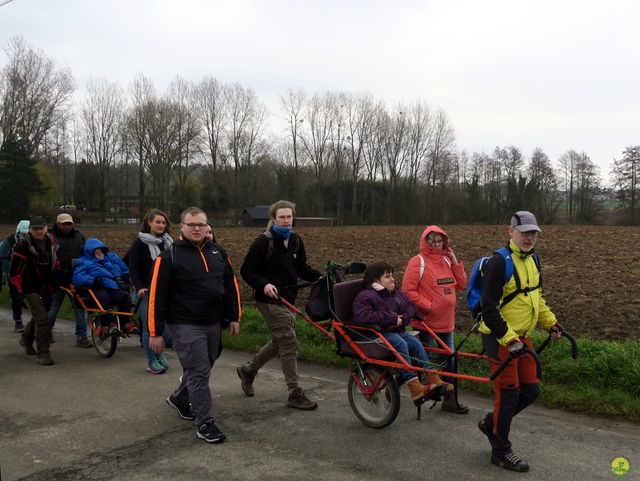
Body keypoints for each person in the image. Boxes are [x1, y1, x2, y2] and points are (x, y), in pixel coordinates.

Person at [477, 211, 562, 473]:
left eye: (533, 232)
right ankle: (501, 451)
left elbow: (537, 297)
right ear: (510, 231)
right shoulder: (499, 262)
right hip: (500, 338)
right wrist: (509, 339)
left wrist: (551, 322)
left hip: (521, 338)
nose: (529, 237)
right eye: (524, 232)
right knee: (509, 395)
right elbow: (488, 309)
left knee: (531, 391)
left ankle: (491, 423)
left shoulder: (533, 259)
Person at [147, 206, 241, 444]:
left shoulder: (218, 253)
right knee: (200, 372)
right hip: (184, 324)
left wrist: (234, 316)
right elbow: (156, 296)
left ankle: (179, 398)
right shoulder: (169, 256)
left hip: (212, 322)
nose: (197, 229)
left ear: (207, 226)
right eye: (192, 225)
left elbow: (230, 287)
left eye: (201, 224)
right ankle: (204, 423)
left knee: (205, 364)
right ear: (182, 227)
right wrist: (155, 332)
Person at [238, 200, 321, 410]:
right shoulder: (263, 242)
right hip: (267, 300)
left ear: (293, 218)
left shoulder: (295, 240)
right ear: (274, 219)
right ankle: (294, 392)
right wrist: (264, 284)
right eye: (282, 217)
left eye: (289, 217)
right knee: (289, 342)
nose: (286, 221)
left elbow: (301, 267)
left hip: (287, 300)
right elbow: (247, 271)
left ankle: (249, 370)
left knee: (279, 341)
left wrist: (320, 277)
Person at [352, 261, 451, 404]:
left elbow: (411, 305)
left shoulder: (395, 293)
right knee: (401, 343)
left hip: (395, 330)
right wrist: (392, 318)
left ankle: (434, 379)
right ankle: (415, 388)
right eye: (387, 276)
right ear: (376, 280)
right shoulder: (367, 296)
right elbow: (362, 316)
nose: (392, 279)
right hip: (377, 333)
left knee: (416, 344)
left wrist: (403, 319)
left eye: (392, 275)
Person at [402, 225, 469, 414]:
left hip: (447, 323)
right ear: (426, 242)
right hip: (426, 324)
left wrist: (455, 261)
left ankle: (450, 400)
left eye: (441, 241)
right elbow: (408, 291)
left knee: (450, 361)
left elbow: (462, 284)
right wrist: (429, 305)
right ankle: (406, 387)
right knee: (422, 361)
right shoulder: (418, 262)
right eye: (433, 241)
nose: (437, 245)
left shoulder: (447, 261)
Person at [128, 208, 173, 374]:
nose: (161, 225)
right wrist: (139, 287)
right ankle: (152, 361)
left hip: (164, 292)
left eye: (163, 222)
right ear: (149, 223)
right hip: (146, 293)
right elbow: (133, 268)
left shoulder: (169, 243)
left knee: (167, 330)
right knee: (150, 328)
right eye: (157, 222)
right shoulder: (139, 243)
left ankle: (159, 353)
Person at [9, 216, 58, 365]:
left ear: (46, 229)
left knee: (39, 316)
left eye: (41, 228)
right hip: (29, 288)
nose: (38, 231)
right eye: (35, 229)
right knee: (43, 320)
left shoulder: (52, 244)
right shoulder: (22, 247)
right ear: (30, 230)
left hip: (46, 287)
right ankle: (43, 354)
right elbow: (14, 273)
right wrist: (18, 293)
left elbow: (56, 263)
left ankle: (26, 339)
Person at [72, 238, 137, 336]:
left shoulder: (112, 258)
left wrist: (126, 275)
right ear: (90, 252)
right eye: (96, 251)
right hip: (97, 286)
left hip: (113, 286)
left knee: (124, 296)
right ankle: (109, 324)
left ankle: (125, 323)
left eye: (101, 250)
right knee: (102, 297)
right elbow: (78, 278)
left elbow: (124, 269)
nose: (99, 253)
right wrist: (92, 280)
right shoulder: (83, 262)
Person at [47, 213, 91, 347]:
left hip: (75, 278)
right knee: (53, 308)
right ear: (58, 224)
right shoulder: (50, 237)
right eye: (64, 224)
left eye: (69, 224)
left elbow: (85, 254)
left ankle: (82, 336)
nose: (67, 226)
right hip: (57, 279)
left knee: (80, 309)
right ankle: (47, 333)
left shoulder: (79, 237)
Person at [0, 219, 30, 332]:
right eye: (23, 234)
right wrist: (11, 269)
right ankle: (18, 322)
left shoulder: (33, 243)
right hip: (14, 274)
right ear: (18, 232)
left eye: (28, 234)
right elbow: (2, 257)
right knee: (16, 298)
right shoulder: (9, 242)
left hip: (28, 275)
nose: (26, 236)